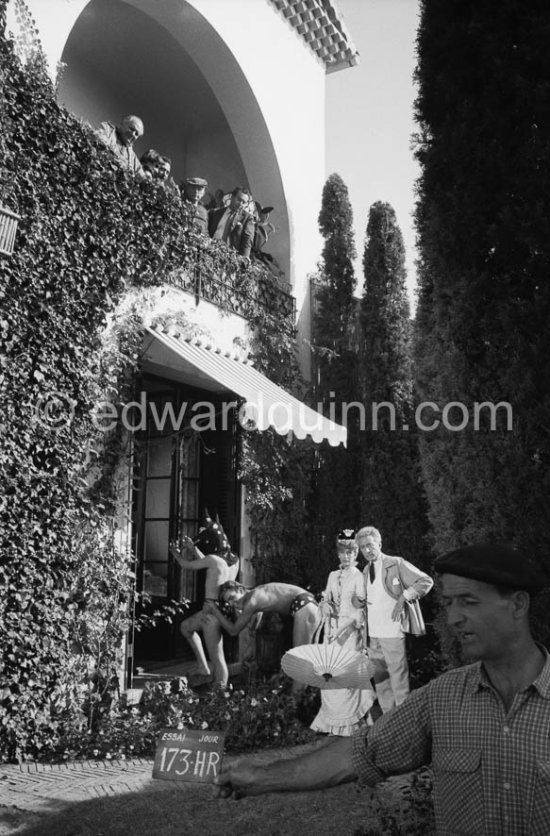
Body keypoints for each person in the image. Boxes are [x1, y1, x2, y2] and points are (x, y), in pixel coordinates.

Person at [213, 542, 550, 836]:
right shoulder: (443, 698)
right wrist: (258, 777)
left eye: (468, 602)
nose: (453, 619)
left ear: (518, 605)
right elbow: (357, 754)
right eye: (450, 603)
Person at [355, 525, 433, 712]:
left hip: (392, 632)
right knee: (381, 681)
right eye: (363, 547)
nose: (367, 550)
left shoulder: (395, 563)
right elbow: (364, 601)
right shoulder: (365, 571)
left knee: (398, 679)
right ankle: (388, 722)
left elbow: (426, 581)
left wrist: (404, 597)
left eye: (370, 545)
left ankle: (404, 721)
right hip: (372, 635)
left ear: (379, 543)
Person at [311, 530, 376, 736]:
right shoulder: (332, 575)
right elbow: (326, 600)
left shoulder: (359, 577)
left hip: (350, 633)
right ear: (338, 554)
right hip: (331, 632)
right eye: (342, 553)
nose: (346, 557)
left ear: (356, 554)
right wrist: (325, 605)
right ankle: (332, 725)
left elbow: (360, 611)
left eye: (350, 553)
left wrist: (342, 629)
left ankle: (351, 725)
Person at [170, 516, 239, 688]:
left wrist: (176, 554)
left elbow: (187, 565)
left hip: (211, 612)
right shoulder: (233, 559)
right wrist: (193, 549)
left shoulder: (213, 560)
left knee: (218, 657)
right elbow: (208, 562)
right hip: (222, 609)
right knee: (186, 627)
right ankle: (203, 667)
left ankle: (220, 693)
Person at [205, 580, 320, 652]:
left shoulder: (251, 602)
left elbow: (233, 631)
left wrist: (215, 611)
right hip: (309, 604)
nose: (231, 604)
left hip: (302, 606)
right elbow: (259, 612)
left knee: (300, 661)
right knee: (312, 662)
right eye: (228, 603)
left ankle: (296, 692)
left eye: (231, 598)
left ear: (240, 589)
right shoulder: (256, 592)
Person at [208, 186, 255, 259]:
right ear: (232, 197)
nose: (240, 204)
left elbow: (247, 240)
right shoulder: (216, 213)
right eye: (239, 200)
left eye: (244, 202)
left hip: (229, 257)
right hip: (211, 252)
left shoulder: (247, 219)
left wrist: (245, 258)